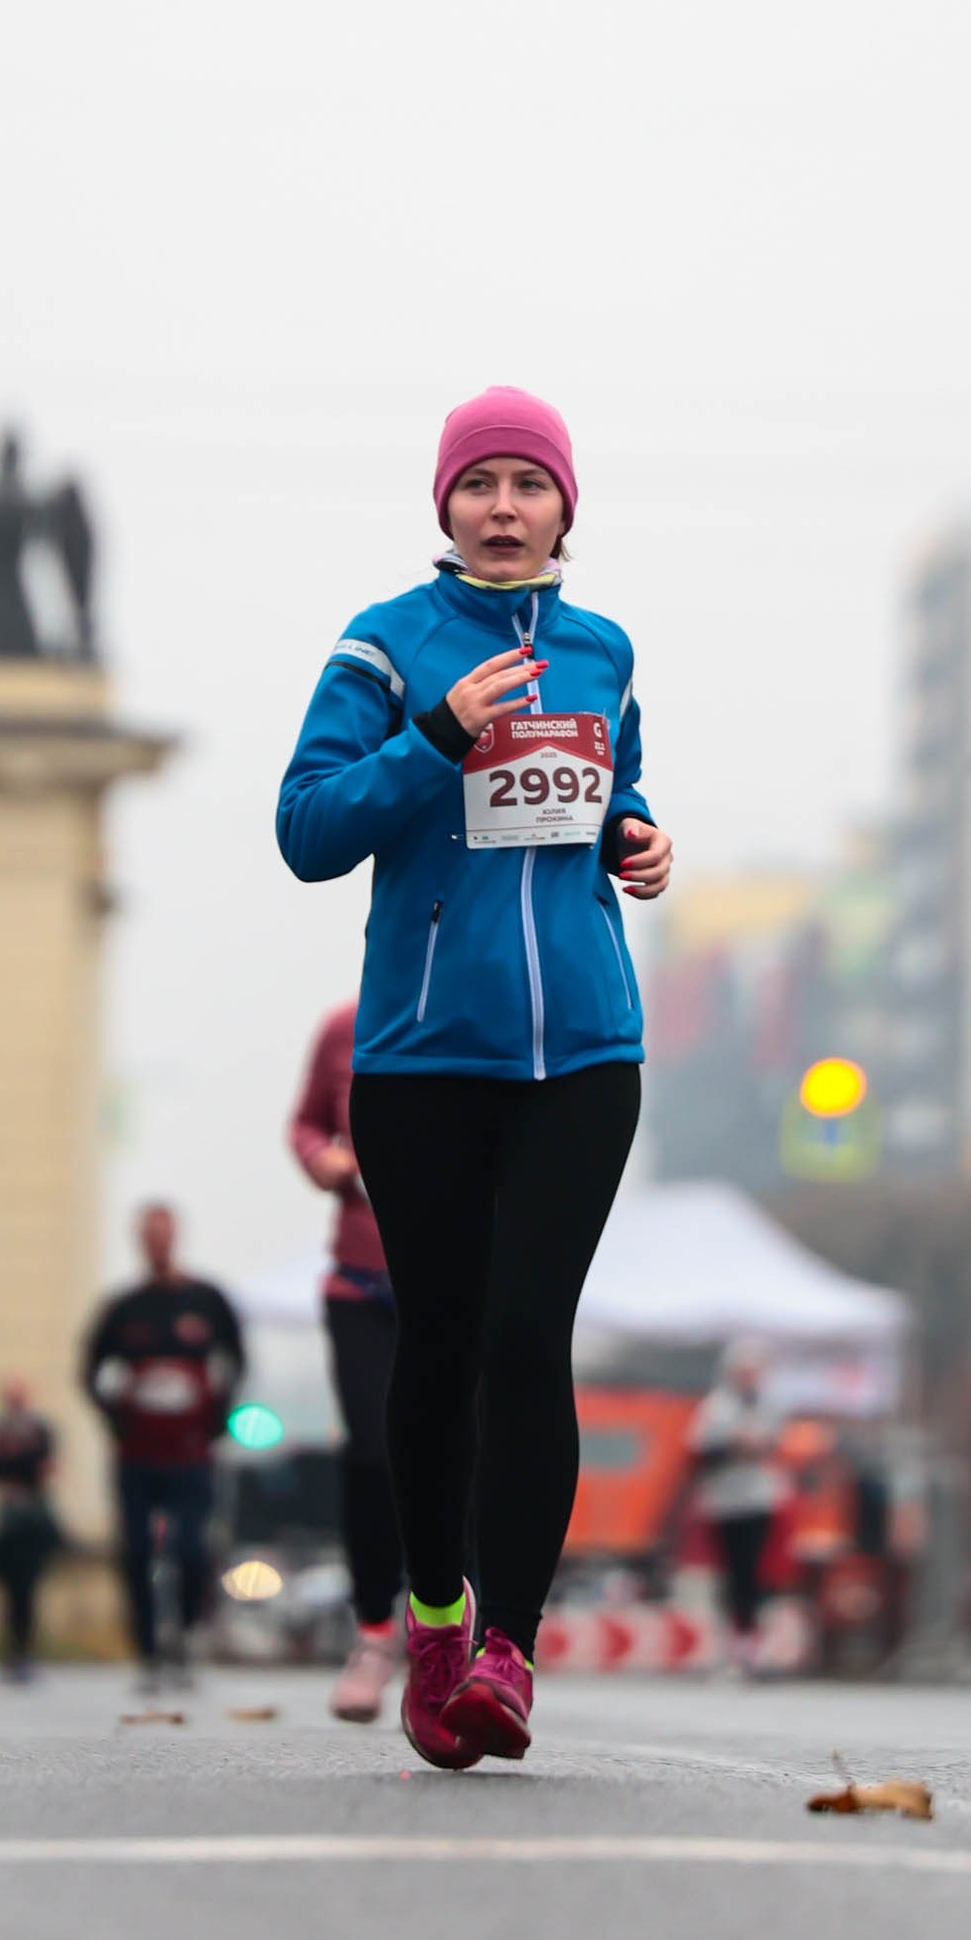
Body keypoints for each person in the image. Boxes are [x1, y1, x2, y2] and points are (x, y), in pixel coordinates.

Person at [276, 385, 673, 1770]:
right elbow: (310, 831)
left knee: (525, 1337)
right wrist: (432, 736)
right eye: (480, 485)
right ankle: (432, 1618)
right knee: (438, 1347)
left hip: (584, 1053)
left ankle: (507, 1648)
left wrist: (638, 840)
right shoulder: (385, 646)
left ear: (568, 507)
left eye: (530, 485)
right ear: (443, 505)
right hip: (425, 1056)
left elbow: (612, 793)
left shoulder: (605, 650)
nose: (505, 508)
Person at [289, 999, 403, 1720]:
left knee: (449, 1449)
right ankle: (373, 1632)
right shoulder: (342, 1025)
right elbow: (304, 1122)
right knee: (370, 1453)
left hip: (449, 1277)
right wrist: (321, 1157)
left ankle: (449, 1631)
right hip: (359, 1280)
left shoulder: (467, 1007)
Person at [81, 1202, 246, 1690]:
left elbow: (235, 1360)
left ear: (175, 1237)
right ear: (139, 1241)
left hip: (191, 1454)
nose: (156, 1242)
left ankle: (188, 1632)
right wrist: (114, 1417)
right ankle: (148, 1648)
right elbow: (89, 1369)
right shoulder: (124, 1308)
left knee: (191, 1547)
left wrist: (216, 1418)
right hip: (136, 1456)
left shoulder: (206, 1300)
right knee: (135, 1550)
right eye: (147, 1234)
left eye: (163, 1233)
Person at [688, 1339, 782, 1675]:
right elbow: (699, 1451)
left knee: (754, 1573)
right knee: (729, 1572)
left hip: (758, 1499)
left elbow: (776, 1444)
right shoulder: (717, 1407)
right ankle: (729, 1643)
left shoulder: (767, 1406)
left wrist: (758, 1445)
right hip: (725, 1503)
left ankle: (753, 1644)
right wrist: (733, 1444)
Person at [0, 1377, 62, 1682]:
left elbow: (46, 1467)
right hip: (6, 1515)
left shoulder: (39, 1429)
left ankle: (26, 1652)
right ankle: (11, 1653)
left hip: (31, 1517)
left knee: (28, 1589)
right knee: (9, 1590)